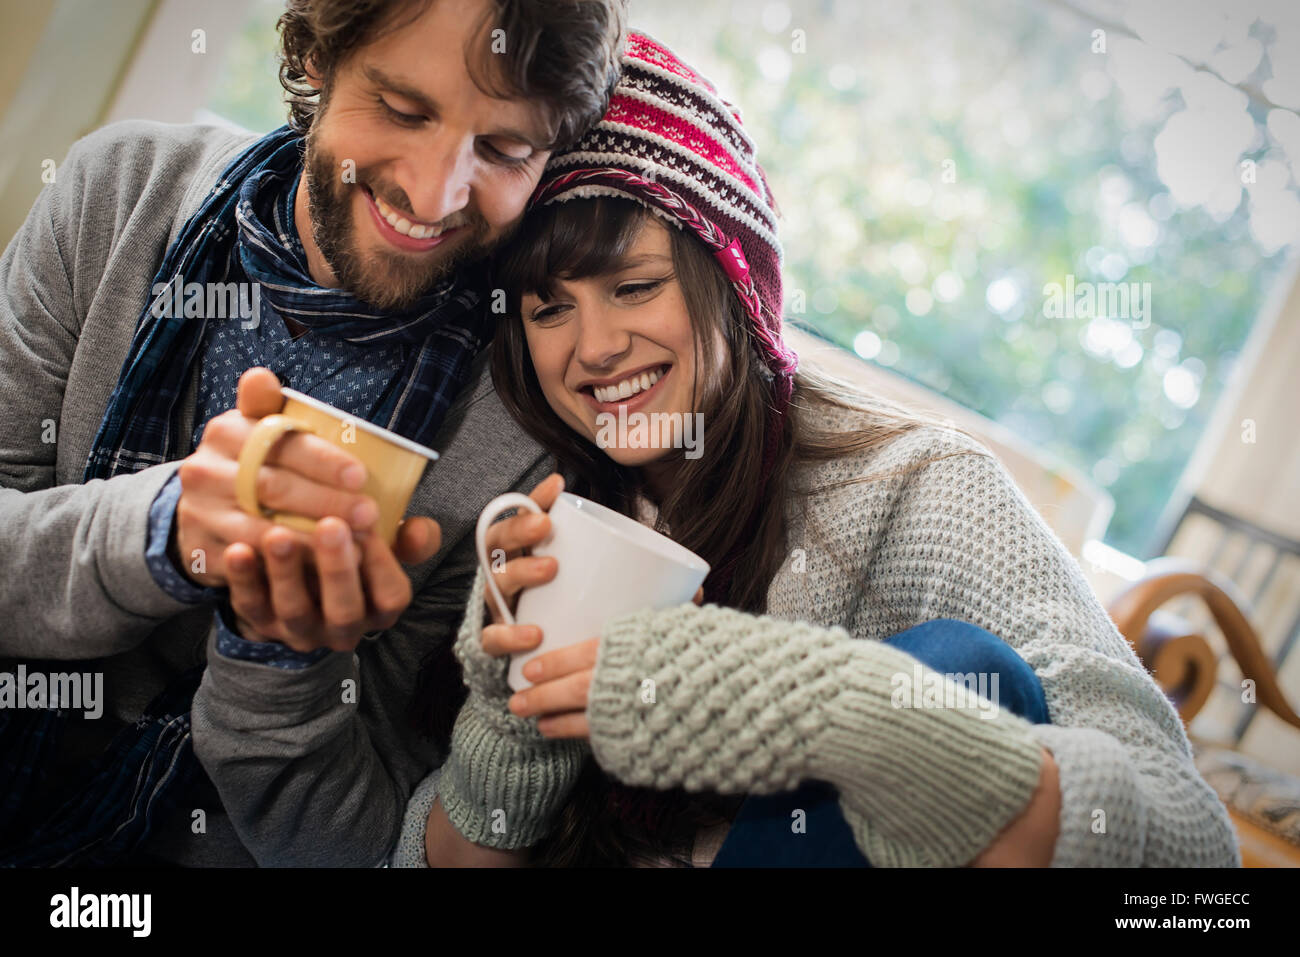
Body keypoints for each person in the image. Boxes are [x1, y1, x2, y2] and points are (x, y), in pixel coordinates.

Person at [388, 30, 1241, 867]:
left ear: (734, 281)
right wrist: (510, 729)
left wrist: (832, 711)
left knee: (956, 670)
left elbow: (1193, 847)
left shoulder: (918, 488)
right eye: (548, 309)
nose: (595, 347)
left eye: (635, 287)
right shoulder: (541, 497)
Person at [0, 0, 625, 866]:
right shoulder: (120, 191)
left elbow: (358, 844)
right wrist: (164, 529)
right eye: (403, 110)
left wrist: (285, 657)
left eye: (503, 150)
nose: (433, 191)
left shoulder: (518, 436)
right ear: (319, 55)